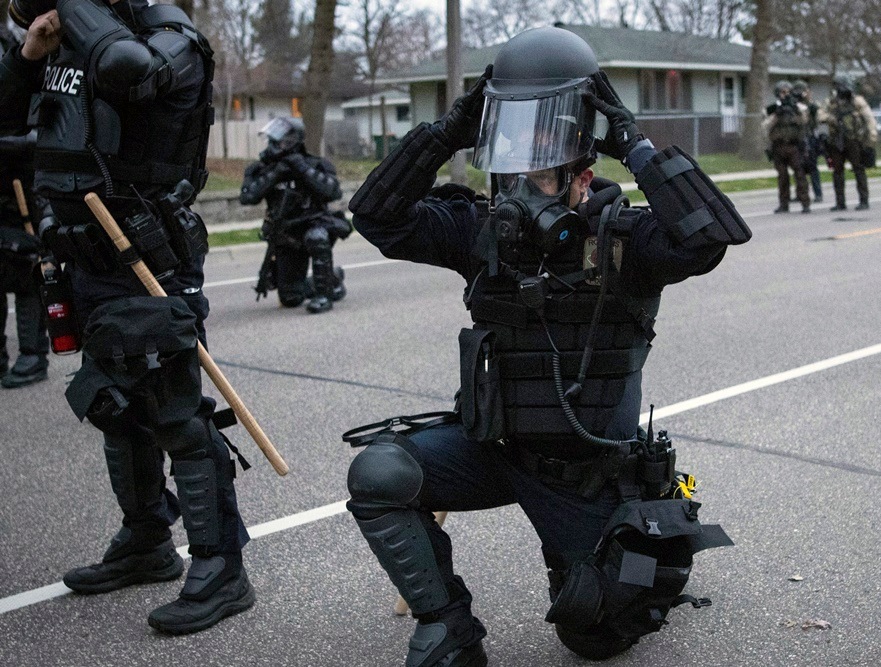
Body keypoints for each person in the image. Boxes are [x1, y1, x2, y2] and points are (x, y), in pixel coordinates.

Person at [344, 26, 744, 666]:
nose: (520, 190)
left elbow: (711, 238)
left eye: (542, 173)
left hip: (586, 476)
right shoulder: (480, 233)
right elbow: (376, 216)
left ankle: (647, 519)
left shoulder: (627, 242)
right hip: (495, 449)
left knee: (593, 636)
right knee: (379, 474)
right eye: (510, 171)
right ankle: (446, 627)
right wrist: (447, 131)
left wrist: (635, 143)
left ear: (583, 173)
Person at [1, 0, 255, 632]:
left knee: (174, 412)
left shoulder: (171, 42)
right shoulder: (62, 50)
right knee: (116, 406)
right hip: (81, 254)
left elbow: (125, 69)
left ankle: (222, 567)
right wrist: (29, 53)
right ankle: (147, 541)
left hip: (147, 253)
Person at [240, 117, 349, 314]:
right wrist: (275, 174)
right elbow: (247, 197)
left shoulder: (316, 164)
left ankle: (323, 296)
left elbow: (333, 192)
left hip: (315, 224)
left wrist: (302, 169)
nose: (273, 146)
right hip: (286, 233)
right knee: (291, 298)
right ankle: (331, 278)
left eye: (279, 141)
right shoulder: (262, 168)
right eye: (271, 141)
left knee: (316, 237)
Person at [0, 26, 49, 388]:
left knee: (28, 273)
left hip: (24, 193)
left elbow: (42, 133)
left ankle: (33, 356)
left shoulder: (29, 64)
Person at [819, 76, 877, 211]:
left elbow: (869, 119)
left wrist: (871, 139)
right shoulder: (831, 102)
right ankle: (840, 203)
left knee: (858, 169)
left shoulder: (857, 101)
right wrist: (830, 118)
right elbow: (820, 115)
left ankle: (864, 200)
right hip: (836, 141)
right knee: (837, 172)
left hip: (854, 140)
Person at [764, 80, 811, 214]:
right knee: (782, 177)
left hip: (794, 146)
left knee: (800, 175)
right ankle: (784, 204)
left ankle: (805, 203)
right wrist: (777, 114)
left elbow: (804, 121)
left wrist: (795, 110)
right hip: (778, 147)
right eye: (782, 92)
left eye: (787, 92)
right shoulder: (773, 109)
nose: (785, 95)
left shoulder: (799, 107)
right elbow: (765, 126)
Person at [792, 80, 823, 204]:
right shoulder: (794, 105)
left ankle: (818, 193)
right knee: (798, 168)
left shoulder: (811, 106)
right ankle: (800, 193)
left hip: (809, 138)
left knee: (812, 168)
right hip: (797, 139)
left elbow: (816, 121)